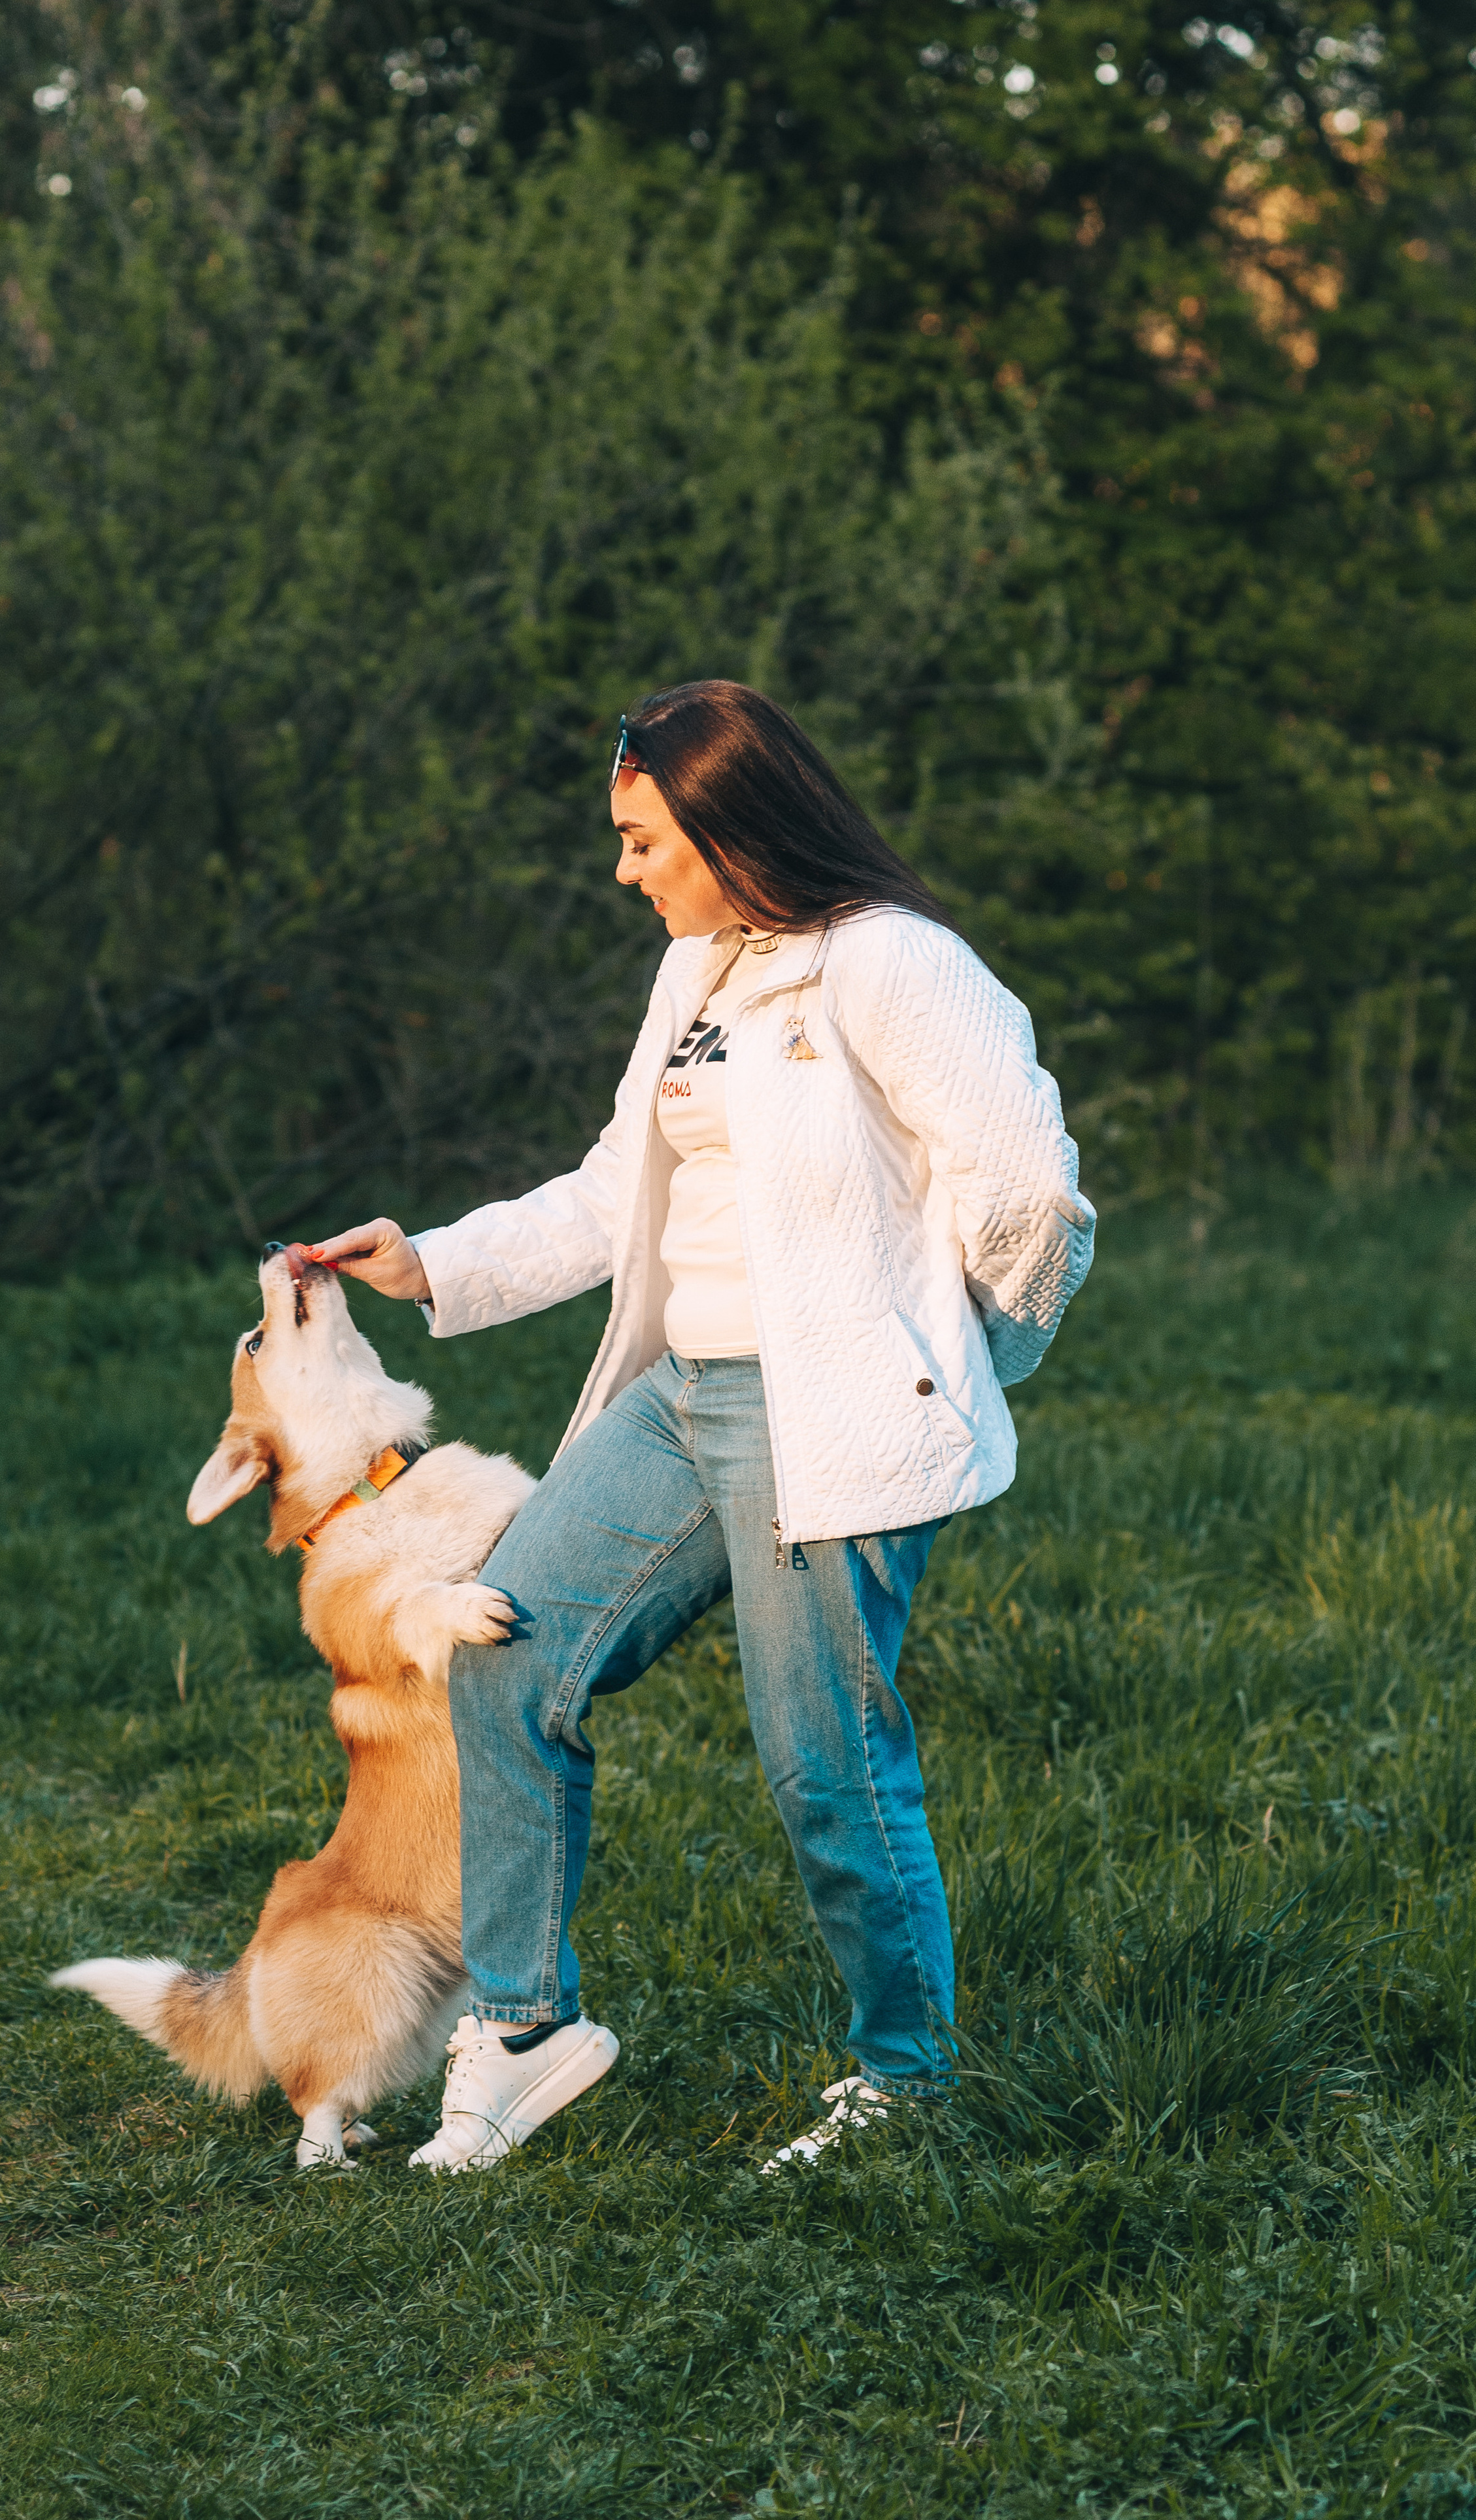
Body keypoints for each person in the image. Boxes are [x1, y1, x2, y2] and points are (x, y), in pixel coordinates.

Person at [309, 679, 1095, 2174]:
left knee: (826, 1764)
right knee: (504, 1652)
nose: (623, 871)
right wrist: (434, 1263)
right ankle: (528, 2028)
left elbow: (1023, 1185)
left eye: (642, 840)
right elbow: (618, 1189)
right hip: (682, 1396)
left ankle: (904, 2084)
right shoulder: (700, 970)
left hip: (829, 1423)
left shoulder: (893, 965)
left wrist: (952, 1357)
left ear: (731, 827)